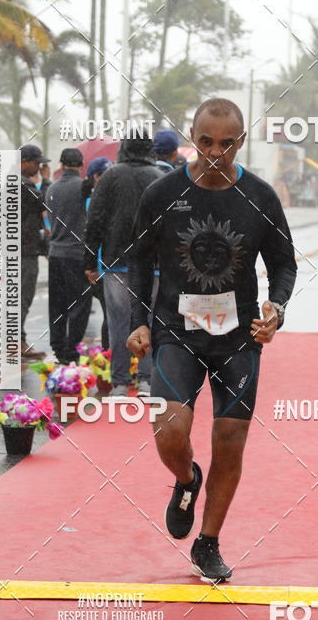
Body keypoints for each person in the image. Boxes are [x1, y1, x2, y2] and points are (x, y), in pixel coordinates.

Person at [126, 97, 297, 582]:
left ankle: (208, 542)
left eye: (226, 143)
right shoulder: (161, 194)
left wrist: (276, 310)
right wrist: (139, 320)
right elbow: (140, 260)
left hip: (238, 338)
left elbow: (284, 264)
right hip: (176, 331)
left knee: (229, 441)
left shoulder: (260, 197)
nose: (215, 152)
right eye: (205, 142)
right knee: (169, 431)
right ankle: (186, 479)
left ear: (240, 142)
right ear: (191, 138)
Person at [84, 132, 162, 397]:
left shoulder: (110, 177)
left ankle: (119, 383)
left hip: (116, 263)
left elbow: (94, 221)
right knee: (149, 322)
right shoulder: (160, 177)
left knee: (117, 323)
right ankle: (146, 380)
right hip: (153, 265)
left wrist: (90, 261)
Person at [45, 148, 92, 364]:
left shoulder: (52, 189)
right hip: (77, 253)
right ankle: (72, 349)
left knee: (57, 304)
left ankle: (58, 348)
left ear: (61, 165)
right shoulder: (85, 187)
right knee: (80, 303)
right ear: (81, 165)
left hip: (55, 253)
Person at [20, 144, 51, 361]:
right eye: (36, 162)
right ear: (23, 161)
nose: (39, 167)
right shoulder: (21, 183)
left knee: (22, 297)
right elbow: (45, 201)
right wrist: (47, 180)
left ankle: (17, 341)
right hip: (23, 250)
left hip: (25, 248)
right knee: (22, 296)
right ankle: (16, 343)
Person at [81, 156, 111, 350]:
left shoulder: (109, 198)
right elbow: (94, 237)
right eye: (103, 175)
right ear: (95, 177)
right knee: (110, 316)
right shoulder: (92, 201)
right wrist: (95, 267)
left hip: (110, 267)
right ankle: (110, 358)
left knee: (113, 316)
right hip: (102, 268)